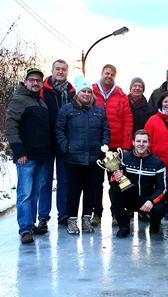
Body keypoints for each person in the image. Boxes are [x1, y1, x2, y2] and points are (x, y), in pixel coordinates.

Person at [56, 76, 109, 235]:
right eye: (83, 91)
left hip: (95, 157)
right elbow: (59, 130)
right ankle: (72, 220)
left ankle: (86, 219)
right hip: (74, 158)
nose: (86, 94)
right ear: (78, 93)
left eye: (89, 91)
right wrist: (66, 147)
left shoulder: (99, 111)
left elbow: (106, 130)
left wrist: (104, 145)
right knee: (73, 190)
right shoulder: (67, 109)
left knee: (91, 190)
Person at [5, 67, 51, 243]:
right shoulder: (19, 100)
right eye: (31, 80)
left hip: (42, 156)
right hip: (26, 157)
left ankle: (31, 225)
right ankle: (24, 229)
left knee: (35, 193)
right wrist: (19, 151)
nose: (35, 82)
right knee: (25, 193)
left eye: (38, 80)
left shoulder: (41, 102)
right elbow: (10, 126)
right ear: (25, 82)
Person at [92, 64, 133, 226]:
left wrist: (125, 146)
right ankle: (96, 214)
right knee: (95, 183)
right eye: (106, 73)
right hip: (96, 145)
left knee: (116, 182)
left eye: (112, 74)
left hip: (115, 147)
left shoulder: (121, 95)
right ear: (102, 74)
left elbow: (128, 120)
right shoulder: (91, 91)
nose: (109, 76)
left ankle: (116, 213)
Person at [109, 129, 168, 237]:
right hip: (129, 196)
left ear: (149, 143)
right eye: (138, 141)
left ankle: (155, 223)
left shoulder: (157, 162)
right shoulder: (124, 159)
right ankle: (124, 226)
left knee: (160, 208)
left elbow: (162, 188)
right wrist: (115, 177)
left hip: (147, 198)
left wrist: (151, 201)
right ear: (133, 142)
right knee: (114, 190)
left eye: (144, 142)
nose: (141, 144)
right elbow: (114, 181)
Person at [39, 59, 75, 230]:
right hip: (46, 142)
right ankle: (43, 217)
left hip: (65, 143)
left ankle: (64, 215)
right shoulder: (42, 91)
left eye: (63, 69)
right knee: (45, 181)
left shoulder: (72, 92)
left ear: (67, 72)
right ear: (52, 70)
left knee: (65, 181)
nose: (60, 72)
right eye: (58, 69)